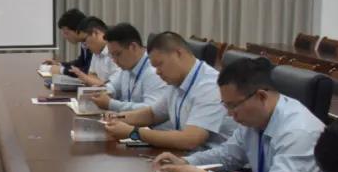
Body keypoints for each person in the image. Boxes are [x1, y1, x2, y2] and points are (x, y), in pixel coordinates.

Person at [153, 57, 334, 172]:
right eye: (226, 105)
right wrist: (186, 163)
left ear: (261, 96)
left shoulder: (299, 131)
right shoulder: (255, 120)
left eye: (233, 106)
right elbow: (226, 156)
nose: (230, 114)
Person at [102, 31, 235, 151]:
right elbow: (152, 114)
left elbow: (190, 140)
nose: (157, 72)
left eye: (160, 64)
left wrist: (133, 132)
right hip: (187, 157)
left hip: (215, 164)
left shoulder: (209, 85)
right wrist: (118, 118)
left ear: (178, 53)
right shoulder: (176, 81)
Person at [88, 23, 167, 113]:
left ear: (133, 47)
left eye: (118, 54)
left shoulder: (154, 71)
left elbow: (151, 110)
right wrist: (103, 91)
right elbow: (113, 86)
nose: (115, 60)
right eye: (112, 55)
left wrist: (111, 104)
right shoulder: (126, 68)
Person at [69, 16, 118, 86]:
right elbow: (91, 75)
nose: (85, 46)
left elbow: (114, 85)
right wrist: (90, 79)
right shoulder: (96, 52)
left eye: (84, 40)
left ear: (96, 32)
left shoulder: (115, 51)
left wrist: (86, 78)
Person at [42, 8, 90, 76]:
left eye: (66, 33)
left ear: (78, 30)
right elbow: (80, 62)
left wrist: (61, 70)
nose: (65, 37)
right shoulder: (84, 41)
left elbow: (87, 71)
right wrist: (59, 64)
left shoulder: (92, 44)